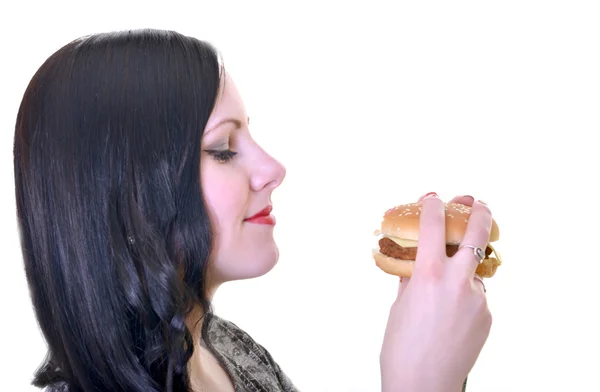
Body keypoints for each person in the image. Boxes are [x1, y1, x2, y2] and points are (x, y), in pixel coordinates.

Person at [13, 28, 493, 392]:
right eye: (223, 147)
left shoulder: (226, 351)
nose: (272, 169)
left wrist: (428, 344)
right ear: (130, 194)